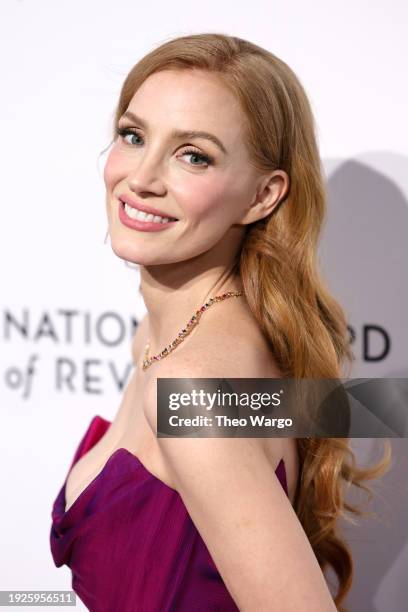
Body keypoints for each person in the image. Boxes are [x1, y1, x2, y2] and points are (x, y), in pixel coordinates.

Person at [50, 33, 390, 611]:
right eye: (134, 136)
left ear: (262, 196)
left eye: (194, 155)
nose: (142, 178)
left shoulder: (194, 388)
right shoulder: (165, 340)